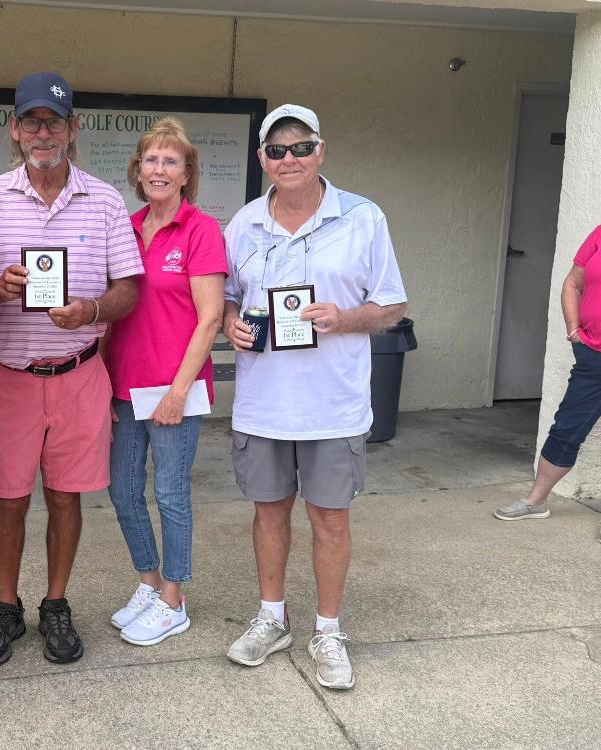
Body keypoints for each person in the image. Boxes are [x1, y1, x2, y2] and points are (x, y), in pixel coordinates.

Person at [222, 104, 407, 690]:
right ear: (263, 159)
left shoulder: (362, 217)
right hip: (264, 401)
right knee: (268, 511)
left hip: (333, 404)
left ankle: (327, 630)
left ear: (320, 151)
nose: (290, 159)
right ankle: (272, 618)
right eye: (278, 150)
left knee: (329, 516)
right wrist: (229, 323)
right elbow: (227, 295)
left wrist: (345, 318)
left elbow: (393, 304)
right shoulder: (245, 223)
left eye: (301, 147)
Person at [0, 71, 142, 667]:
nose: (43, 133)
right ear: (14, 129)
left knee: (66, 498)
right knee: (8, 499)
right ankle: (6, 604)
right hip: (9, 374)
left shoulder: (105, 200)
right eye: (32, 122)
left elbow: (128, 290)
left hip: (78, 372)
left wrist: (90, 310)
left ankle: (55, 602)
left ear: (73, 129)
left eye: (55, 122)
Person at [105, 117, 226, 646]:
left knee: (171, 494)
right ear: (138, 170)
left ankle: (174, 600)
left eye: (170, 161)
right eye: (151, 159)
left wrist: (178, 392)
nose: (159, 169)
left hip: (176, 387)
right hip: (125, 386)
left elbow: (210, 318)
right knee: (122, 491)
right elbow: (114, 311)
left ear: (186, 173)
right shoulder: (127, 228)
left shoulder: (201, 230)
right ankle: (150, 582)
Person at [495, 225, 601, 520]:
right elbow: (572, 285)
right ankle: (536, 501)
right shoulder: (599, 234)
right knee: (567, 427)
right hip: (594, 356)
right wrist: (574, 332)